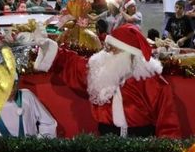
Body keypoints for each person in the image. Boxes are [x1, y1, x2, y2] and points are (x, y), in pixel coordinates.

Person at [34, 24, 181, 137]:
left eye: (112, 49)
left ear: (128, 54)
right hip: (106, 140)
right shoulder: (100, 71)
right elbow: (71, 64)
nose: (106, 53)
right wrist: (48, 46)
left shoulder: (153, 83)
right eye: (106, 47)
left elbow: (168, 124)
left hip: (142, 144)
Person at [0, 74, 57, 138]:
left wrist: (39, 144)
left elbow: (48, 123)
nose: (12, 90)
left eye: (14, 84)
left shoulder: (26, 96)